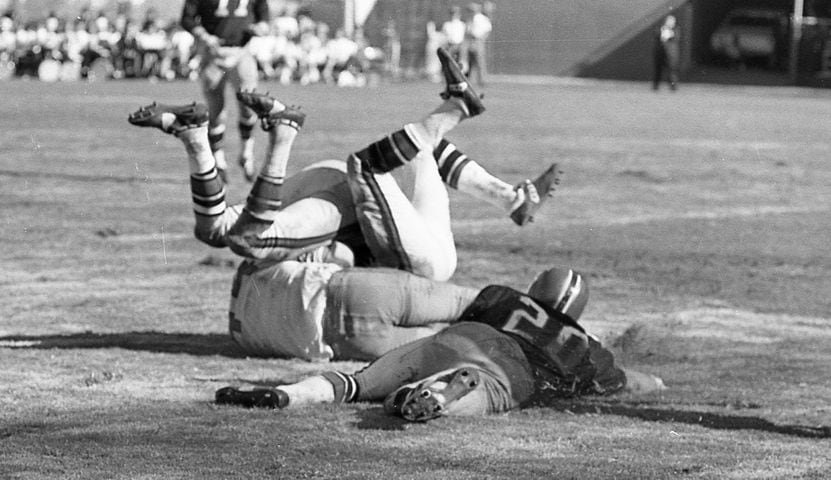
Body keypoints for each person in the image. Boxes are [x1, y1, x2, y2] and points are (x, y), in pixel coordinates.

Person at [128, 47, 561, 361]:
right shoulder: (406, 283)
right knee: (252, 232)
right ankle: (249, 134)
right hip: (379, 231)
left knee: (226, 232)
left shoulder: (406, 282)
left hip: (367, 224)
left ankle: (213, 137)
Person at [215, 267, 666, 422]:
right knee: (466, 387)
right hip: (507, 372)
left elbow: (465, 316)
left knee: (356, 384)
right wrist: (657, 382)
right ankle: (444, 392)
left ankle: (289, 395)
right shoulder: (586, 348)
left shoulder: (505, 297)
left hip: (467, 336)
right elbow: (627, 384)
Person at [180, 0, 270, 183]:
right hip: (214, 53)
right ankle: (219, 161)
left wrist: (261, 27)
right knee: (216, 111)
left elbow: (264, 17)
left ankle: (247, 154)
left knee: (249, 104)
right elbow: (187, 19)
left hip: (241, 52)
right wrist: (203, 35)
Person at [465, 2, 492, 88]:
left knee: (480, 61)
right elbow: (468, 30)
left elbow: (488, 29)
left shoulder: (481, 18)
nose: (471, 11)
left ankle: (482, 80)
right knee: (470, 61)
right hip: (470, 40)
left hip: (478, 40)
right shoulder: (470, 19)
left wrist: (482, 39)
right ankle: (469, 80)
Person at [652, 14, 680, 91]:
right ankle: (655, 86)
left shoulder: (676, 30)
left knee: (671, 71)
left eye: (672, 21)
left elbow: (674, 37)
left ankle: (673, 87)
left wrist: (669, 34)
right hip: (660, 54)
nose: (670, 22)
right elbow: (657, 35)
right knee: (658, 71)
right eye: (669, 21)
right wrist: (663, 33)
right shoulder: (660, 29)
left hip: (671, 55)